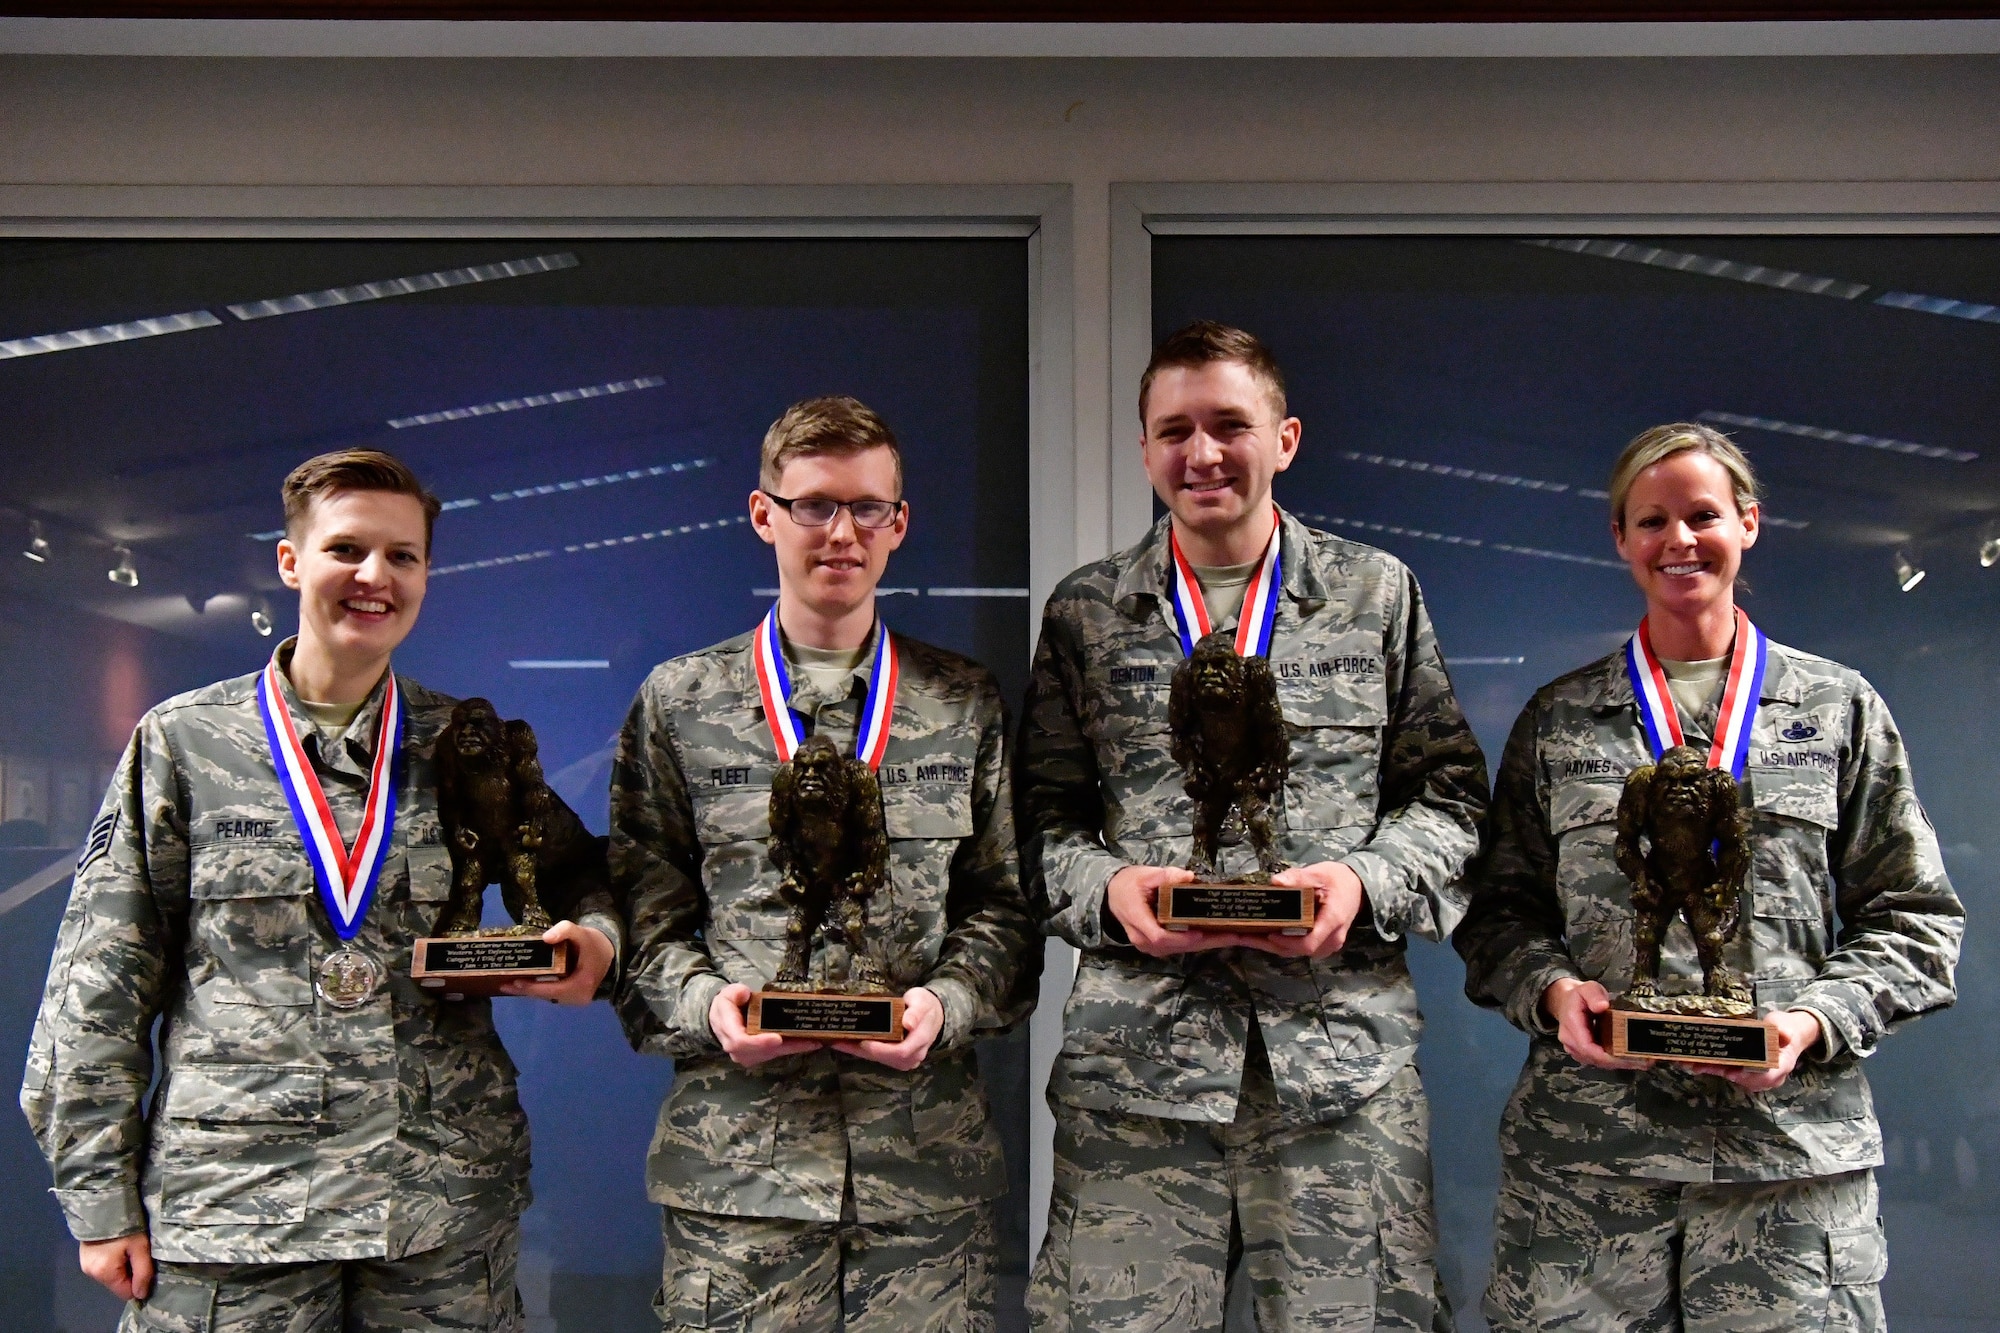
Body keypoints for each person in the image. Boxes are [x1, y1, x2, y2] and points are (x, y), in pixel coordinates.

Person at [21, 448, 620, 1331]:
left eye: (403, 556)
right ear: (291, 560)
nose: (375, 576)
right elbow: (97, 987)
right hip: (236, 1211)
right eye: (347, 549)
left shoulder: (468, 740)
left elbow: (586, 872)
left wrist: (597, 941)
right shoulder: (185, 744)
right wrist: (99, 1195)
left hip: (438, 1207)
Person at [1017, 321, 1487, 1331]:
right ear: (1143, 451)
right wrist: (1111, 892)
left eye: (1229, 424)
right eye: (1173, 430)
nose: (1202, 454)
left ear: (1284, 438)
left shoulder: (1375, 596)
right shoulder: (1085, 615)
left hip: (1340, 1083)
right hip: (1137, 1081)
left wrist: (1361, 882)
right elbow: (1033, 826)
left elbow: (1450, 801)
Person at [1454, 421, 1965, 1332]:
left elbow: (1918, 921)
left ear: (1749, 523)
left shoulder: (1839, 709)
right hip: (1590, 1172)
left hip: (1787, 1172)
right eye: (1651, 521)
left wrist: (1813, 1020)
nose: (1678, 540)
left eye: (1702, 515)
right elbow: (1496, 912)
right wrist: (1554, 990)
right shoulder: (1561, 720)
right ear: (1621, 538)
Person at [611, 395, 1038, 1331]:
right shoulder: (679, 703)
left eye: (867, 507)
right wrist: (708, 1007)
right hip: (738, 1178)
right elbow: (644, 920)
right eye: (813, 505)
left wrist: (945, 1005)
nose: (840, 532)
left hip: (923, 1178)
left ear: (899, 524)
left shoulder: (963, 702)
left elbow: (1007, 911)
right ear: (764, 514)